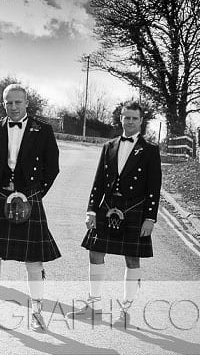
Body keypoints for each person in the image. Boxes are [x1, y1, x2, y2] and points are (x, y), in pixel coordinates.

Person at [0, 84, 61, 331]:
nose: (13, 107)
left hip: (29, 197)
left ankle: (37, 312)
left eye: (18, 102)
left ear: (26, 103)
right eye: (9, 103)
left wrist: (36, 193)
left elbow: (52, 166)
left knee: (34, 260)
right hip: (0, 196)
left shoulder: (43, 130)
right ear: (3, 104)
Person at [67, 101, 161, 326]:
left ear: (141, 121)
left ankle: (125, 311)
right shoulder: (109, 146)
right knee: (95, 252)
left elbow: (154, 187)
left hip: (134, 209)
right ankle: (94, 306)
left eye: (134, 118)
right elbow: (98, 181)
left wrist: (150, 218)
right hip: (108, 206)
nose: (130, 122)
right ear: (121, 119)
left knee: (132, 258)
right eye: (126, 117)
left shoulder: (150, 150)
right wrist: (91, 209)